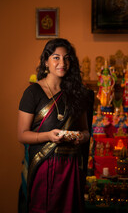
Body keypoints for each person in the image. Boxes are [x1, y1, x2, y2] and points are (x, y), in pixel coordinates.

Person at [18, 38, 94, 213]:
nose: (62, 63)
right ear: (46, 61)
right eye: (56, 57)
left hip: (71, 167)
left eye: (66, 58)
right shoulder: (32, 93)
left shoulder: (77, 93)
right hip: (45, 166)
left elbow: (85, 131)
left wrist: (81, 136)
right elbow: (22, 134)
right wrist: (49, 136)